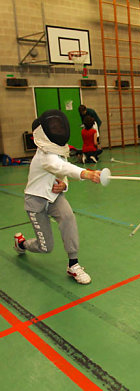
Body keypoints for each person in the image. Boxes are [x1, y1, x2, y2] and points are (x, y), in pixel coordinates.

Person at [13, 109, 101, 285]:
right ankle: (21, 244)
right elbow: (59, 167)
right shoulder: (44, 156)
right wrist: (86, 173)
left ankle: (73, 264)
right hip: (36, 201)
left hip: (55, 198)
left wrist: (64, 185)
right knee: (46, 247)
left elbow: (62, 172)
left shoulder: (58, 152)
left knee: (68, 218)